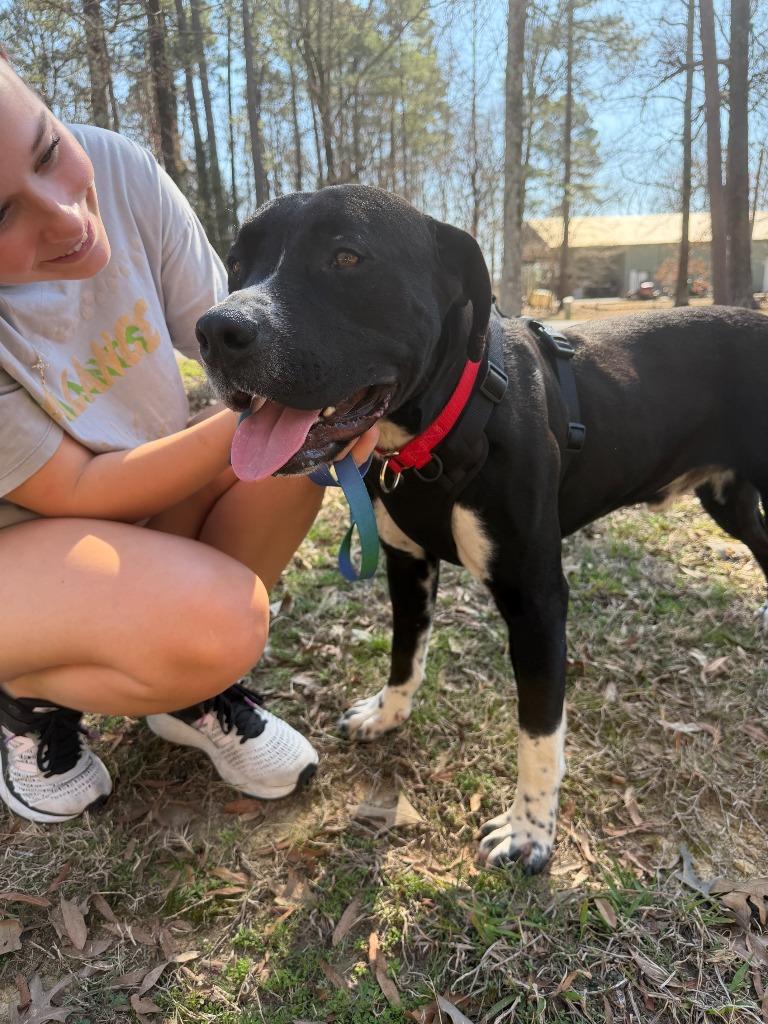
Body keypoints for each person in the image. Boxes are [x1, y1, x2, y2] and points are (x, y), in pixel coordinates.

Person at [0, 54, 378, 824]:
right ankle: (23, 698)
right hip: (23, 540)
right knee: (221, 619)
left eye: (48, 150)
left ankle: (181, 690)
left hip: (126, 501)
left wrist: (334, 400)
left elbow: (235, 346)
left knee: (300, 442)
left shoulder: (117, 168)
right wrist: (256, 429)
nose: (70, 218)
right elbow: (72, 492)